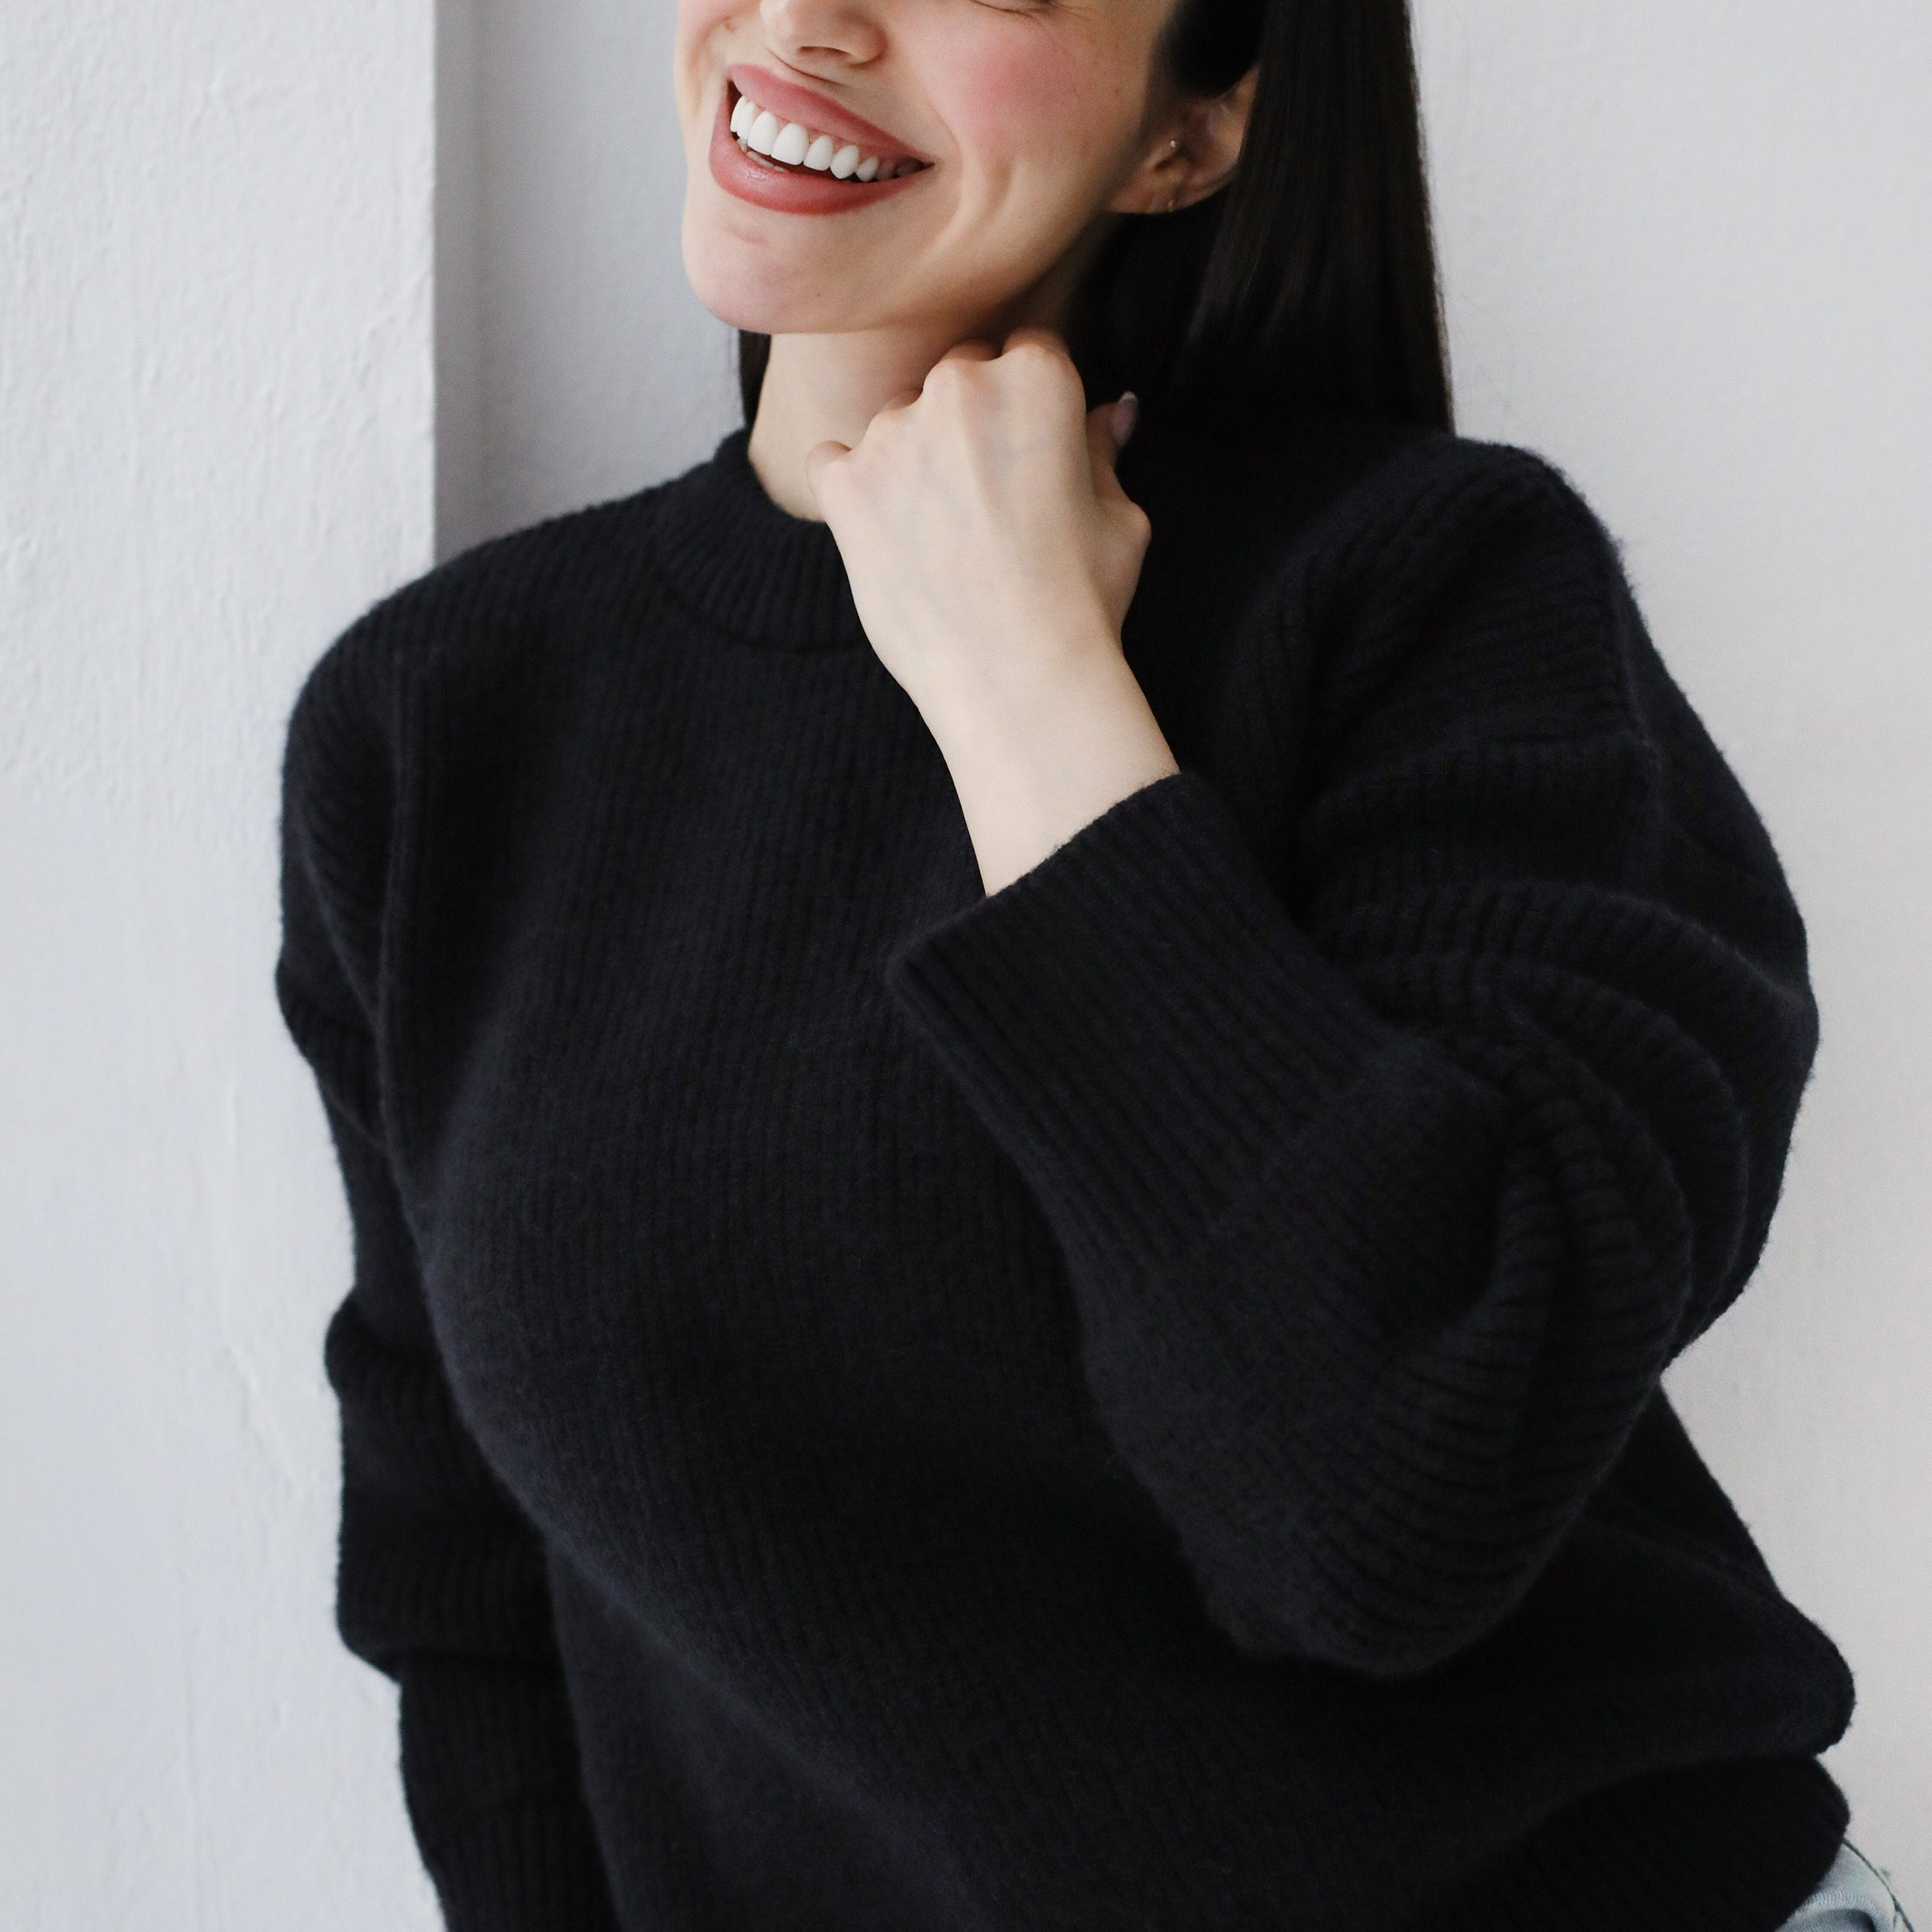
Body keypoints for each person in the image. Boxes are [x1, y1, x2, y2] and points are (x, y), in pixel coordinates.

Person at [273, 0, 1914, 1927]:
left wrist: (1023, 684)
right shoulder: (442, 727)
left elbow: (1382, 1510)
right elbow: (467, 1591)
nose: (807, 22)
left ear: (1186, 135)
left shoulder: (1434, 599)